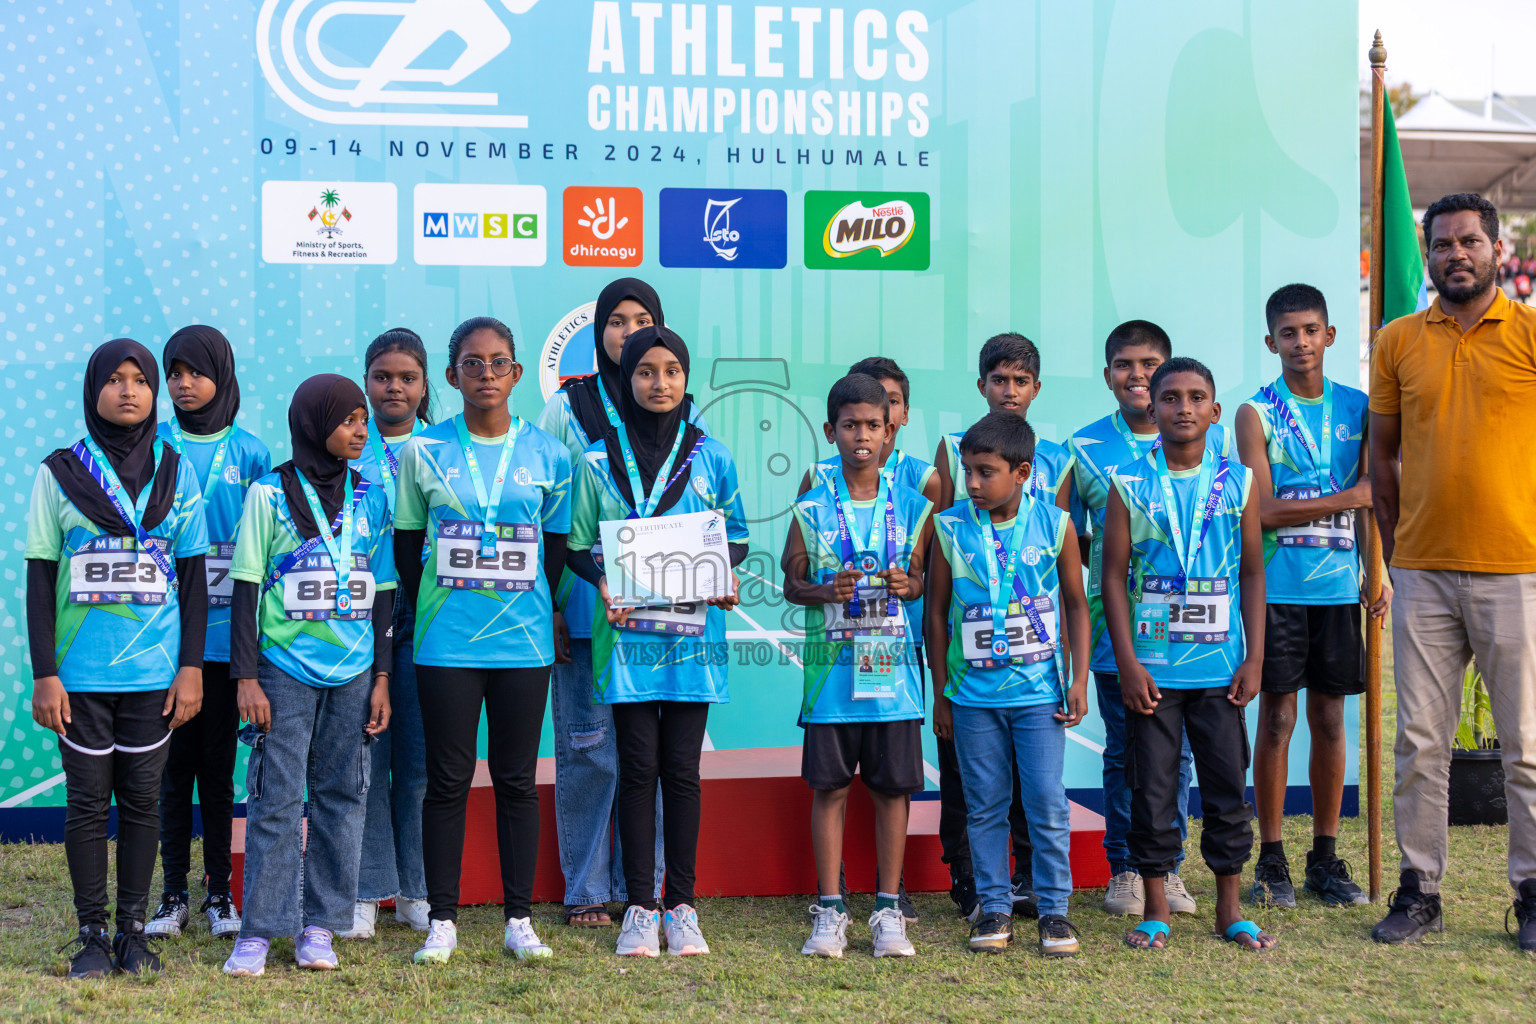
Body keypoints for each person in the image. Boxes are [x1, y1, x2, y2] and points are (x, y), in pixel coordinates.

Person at [1369, 192, 1536, 951]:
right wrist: (1398, 549)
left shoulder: (1530, 332)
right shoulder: (1398, 340)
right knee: (1419, 743)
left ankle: (1531, 895)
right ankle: (1419, 890)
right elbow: (1382, 457)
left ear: (1497, 250)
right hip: (1425, 572)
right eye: (1442, 244)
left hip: (1517, 570)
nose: (1455, 255)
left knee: (1526, 745)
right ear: (1428, 254)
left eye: (1470, 241)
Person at [391, 316, 571, 965]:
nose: (486, 373)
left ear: (517, 373)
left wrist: (526, 603)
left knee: (518, 782)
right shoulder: (424, 451)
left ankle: (519, 919)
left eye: (498, 363)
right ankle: (442, 918)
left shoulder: (550, 455)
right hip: (446, 644)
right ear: (452, 375)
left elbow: (555, 550)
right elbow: (407, 546)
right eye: (473, 363)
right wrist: (445, 606)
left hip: (523, 645)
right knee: (446, 781)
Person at [27, 339, 209, 978]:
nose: (128, 390)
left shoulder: (176, 470)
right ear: (93, 389)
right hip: (78, 675)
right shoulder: (58, 471)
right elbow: (40, 579)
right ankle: (91, 936)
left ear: (154, 393)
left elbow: (191, 576)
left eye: (141, 380)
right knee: (85, 803)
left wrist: (191, 667)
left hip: (154, 675)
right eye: (114, 379)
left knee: (141, 800)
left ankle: (133, 931)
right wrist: (44, 673)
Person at [566, 325, 750, 958]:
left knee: (683, 772)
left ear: (686, 377)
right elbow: (574, 546)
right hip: (627, 640)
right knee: (636, 770)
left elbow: (740, 536)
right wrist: (604, 583)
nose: (660, 382)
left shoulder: (713, 456)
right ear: (627, 379)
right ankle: (641, 909)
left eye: (672, 370)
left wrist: (723, 572)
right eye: (647, 371)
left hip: (693, 638)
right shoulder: (595, 459)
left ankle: (683, 907)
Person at [220, 374, 396, 977]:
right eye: (348, 420)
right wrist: (246, 677)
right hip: (283, 669)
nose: (360, 431)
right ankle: (259, 931)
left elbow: (385, 594)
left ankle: (321, 925)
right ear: (314, 423)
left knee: (342, 797)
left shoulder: (371, 496)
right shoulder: (267, 495)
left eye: (363, 421)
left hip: (353, 672)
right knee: (275, 797)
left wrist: (381, 676)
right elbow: (245, 589)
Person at [1103, 358, 1276, 952]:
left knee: (1228, 789)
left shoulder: (1239, 483)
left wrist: (1255, 659)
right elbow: (1112, 577)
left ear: (1214, 411)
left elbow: (1253, 571)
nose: (1183, 408)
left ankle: (1230, 910)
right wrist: (1127, 663)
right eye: (1170, 398)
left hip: (1221, 672)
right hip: (1154, 674)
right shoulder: (1128, 482)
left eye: (1196, 397)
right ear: (1152, 410)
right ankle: (1155, 909)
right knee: (1151, 792)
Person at [536, 279, 690, 928]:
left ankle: (648, 888)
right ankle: (587, 890)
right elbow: (547, 515)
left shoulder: (675, 410)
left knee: (650, 756)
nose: (629, 334)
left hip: (660, 614)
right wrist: (549, 607)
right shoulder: (567, 410)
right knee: (590, 747)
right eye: (617, 322)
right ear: (598, 332)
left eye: (643, 320)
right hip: (584, 603)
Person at [1236, 284, 1384, 910]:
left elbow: (1379, 504)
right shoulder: (1254, 412)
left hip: (1337, 593)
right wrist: (1348, 498)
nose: (1300, 342)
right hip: (1277, 591)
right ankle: (1271, 858)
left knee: (1330, 721)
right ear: (1272, 342)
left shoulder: (1361, 408)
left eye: (1311, 330)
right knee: (1277, 719)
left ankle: (1325, 855)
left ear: (1329, 334)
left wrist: (1380, 571)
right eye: (1288, 333)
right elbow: (1263, 510)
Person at [926, 411, 1090, 956]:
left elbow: (1074, 603)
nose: (972, 483)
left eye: (985, 473)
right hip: (971, 698)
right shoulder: (950, 527)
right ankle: (993, 908)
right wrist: (941, 693)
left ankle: (1054, 911)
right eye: (968, 471)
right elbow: (937, 612)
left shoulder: (1057, 524)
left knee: (1045, 801)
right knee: (985, 803)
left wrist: (1078, 678)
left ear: (1022, 472)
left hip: (1039, 695)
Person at [783, 373, 934, 959]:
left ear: (891, 430)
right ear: (831, 431)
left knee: (894, 792)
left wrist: (909, 583)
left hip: (894, 678)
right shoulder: (813, 500)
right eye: (850, 426)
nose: (862, 436)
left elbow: (920, 582)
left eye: (873, 425)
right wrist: (825, 590)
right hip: (831, 681)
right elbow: (792, 583)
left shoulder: (914, 505)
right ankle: (830, 909)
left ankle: (888, 909)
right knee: (830, 790)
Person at [1068, 320, 1205, 918]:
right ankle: (1125, 868)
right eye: (1125, 365)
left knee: (1178, 755)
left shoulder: (1208, 441)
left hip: (1196, 633)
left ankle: (1169, 869)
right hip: (1116, 631)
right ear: (1108, 376)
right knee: (1126, 751)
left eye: (1151, 364)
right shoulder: (1086, 447)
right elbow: (1061, 539)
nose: (1139, 376)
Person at [146, 326, 270, 941]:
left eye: (195, 371)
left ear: (222, 373)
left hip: (227, 643)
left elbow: (265, 550)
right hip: (163, 641)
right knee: (172, 773)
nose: (182, 384)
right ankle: (172, 896)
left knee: (218, 773)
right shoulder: (153, 444)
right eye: (173, 372)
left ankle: (220, 893)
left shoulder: (251, 453)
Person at [342, 328, 434, 940]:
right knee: (364, 753)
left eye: (406, 377)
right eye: (382, 376)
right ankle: (365, 889)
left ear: (427, 384)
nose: (393, 387)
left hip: (431, 615)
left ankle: (418, 891)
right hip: (358, 617)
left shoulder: (447, 447)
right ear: (366, 382)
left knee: (423, 761)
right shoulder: (344, 447)